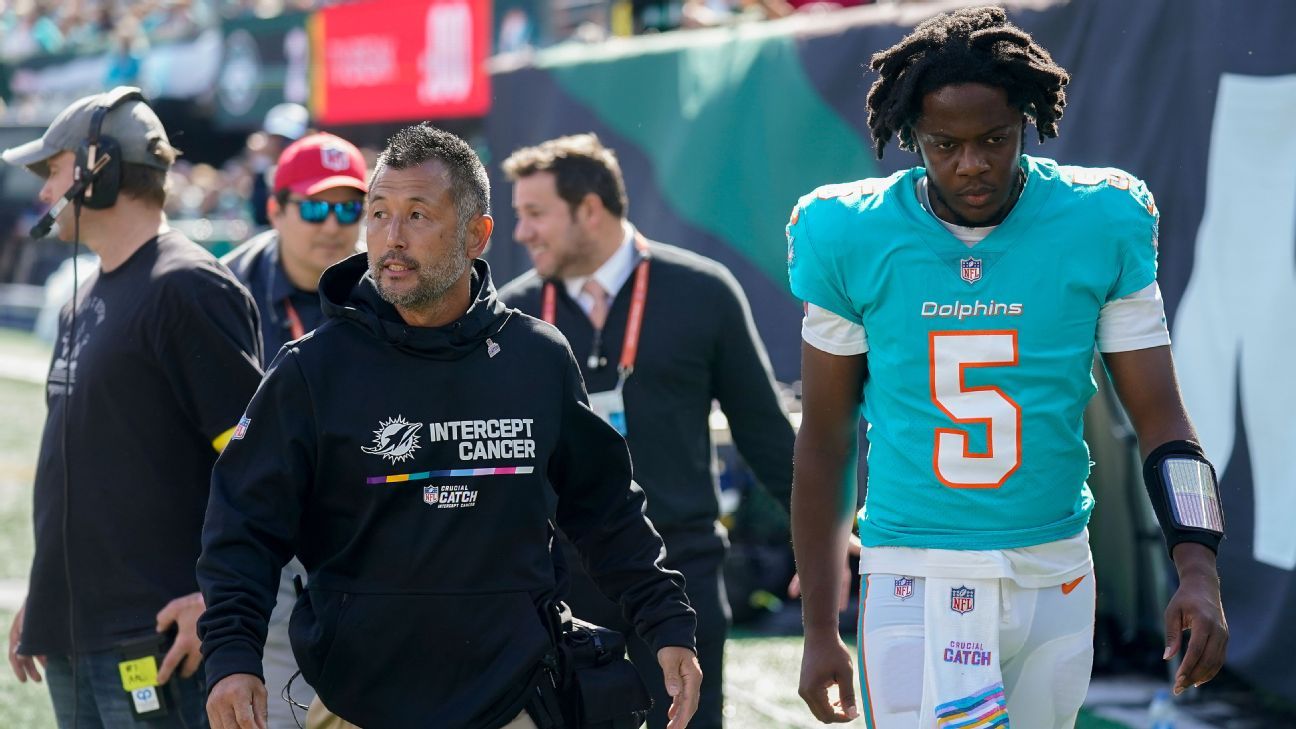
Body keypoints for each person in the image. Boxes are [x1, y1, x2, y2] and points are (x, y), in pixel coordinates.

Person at [787, 8, 1229, 728]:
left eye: (994, 139)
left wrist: (1199, 568)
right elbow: (825, 438)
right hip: (918, 570)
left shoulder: (1099, 219)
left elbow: (1163, 419)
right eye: (944, 144)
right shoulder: (849, 233)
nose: (971, 163)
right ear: (908, 137)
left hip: (1055, 565)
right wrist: (816, 625)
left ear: (1027, 120)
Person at [197, 123, 703, 729]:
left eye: (417, 215)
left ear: (477, 234)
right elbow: (242, 526)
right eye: (379, 213)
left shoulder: (537, 358)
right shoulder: (312, 369)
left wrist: (666, 620)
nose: (391, 237)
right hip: (356, 706)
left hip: (516, 702)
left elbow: (606, 510)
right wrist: (232, 657)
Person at [498, 133, 796, 729]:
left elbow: (765, 432)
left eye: (535, 214)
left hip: (681, 570)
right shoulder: (513, 315)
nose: (521, 233)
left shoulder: (702, 291)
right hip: (558, 586)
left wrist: (827, 534)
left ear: (589, 209)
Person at [2, 86, 263, 727]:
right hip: (75, 632)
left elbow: (260, 467)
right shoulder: (80, 294)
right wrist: (46, 594)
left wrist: (218, 596)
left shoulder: (189, 287)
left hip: (157, 640)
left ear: (100, 169)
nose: (42, 193)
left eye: (51, 172)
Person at [219, 131, 367, 728]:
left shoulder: (396, 287)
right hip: (272, 544)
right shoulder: (225, 290)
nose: (332, 224)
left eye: (349, 207)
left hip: (373, 540)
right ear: (275, 207)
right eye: (313, 206)